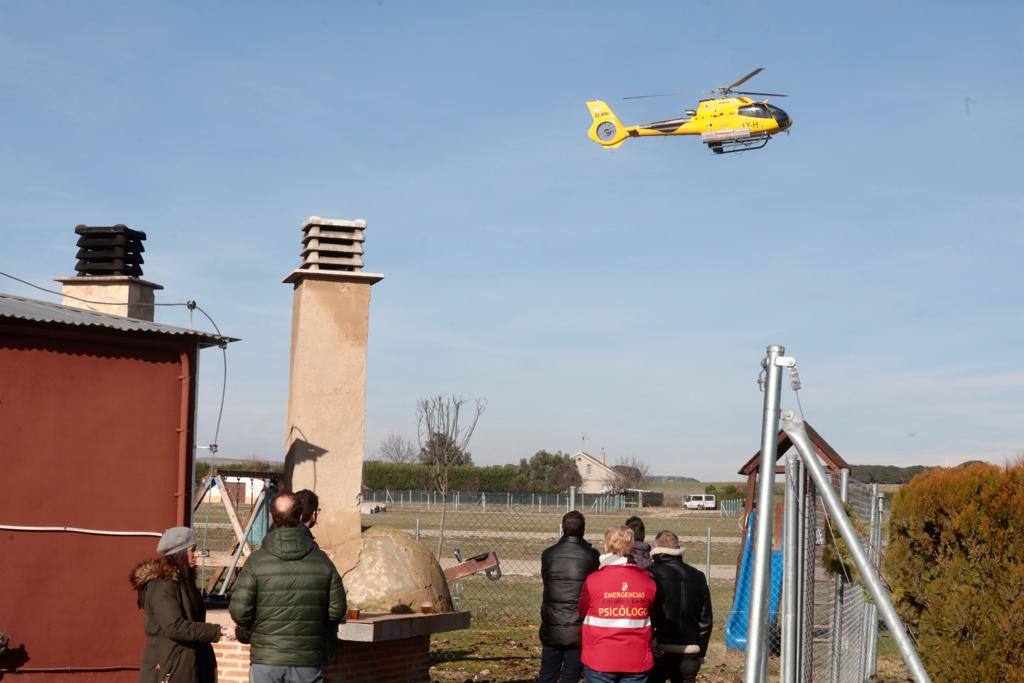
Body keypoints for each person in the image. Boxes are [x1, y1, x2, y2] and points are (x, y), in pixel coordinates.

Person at [229, 492, 346, 683]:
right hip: (307, 659)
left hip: (267, 658)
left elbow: (239, 611)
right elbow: (337, 610)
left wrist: (261, 626)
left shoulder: (256, 562)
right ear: (301, 516)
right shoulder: (321, 561)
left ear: (273, 518)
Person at [131, 526, 232, 682]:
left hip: (191, 663)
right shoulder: (162, 585)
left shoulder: (185, 582)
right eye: (192, 550)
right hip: (170, 665)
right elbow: (175, 627)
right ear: (180, 553)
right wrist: (218, 630)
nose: (196, 555)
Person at [579, 526, 657, 683]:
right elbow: (653, 612)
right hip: (636, 658)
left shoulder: (593, 580)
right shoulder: (647, 581)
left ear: (606, 546)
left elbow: (581, 611)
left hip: (600, 658)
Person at [538, 511, 600, 683]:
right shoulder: (592, 556)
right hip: (577, 626)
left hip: (552, 623)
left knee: (547, 673)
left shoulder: (548, 554)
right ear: (583, 530)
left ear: (563, 529)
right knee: (571, 674)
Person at [647, 531, 713, 683]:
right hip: (689, 651)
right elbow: (705, 622)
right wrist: (700, 654)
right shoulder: (698, 576)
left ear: (656, 547)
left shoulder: (649, 574)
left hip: (657, 649)